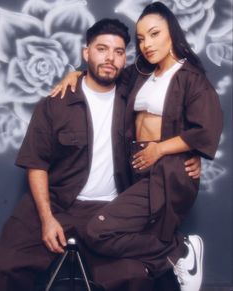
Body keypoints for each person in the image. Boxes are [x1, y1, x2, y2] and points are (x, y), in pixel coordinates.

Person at [0, 18, 201, 291]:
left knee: (132, 277)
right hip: (56, 202)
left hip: (111, 211)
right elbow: (36, 163)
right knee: (7, 265)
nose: (110, 58)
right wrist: (47, 219)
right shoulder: (56, 104)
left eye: (118, 52)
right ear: (86, 53)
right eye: (102, 49)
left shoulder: (136, 97)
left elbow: (174, 120)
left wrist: (192, 152)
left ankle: (178, 253)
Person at [51, 2, 223, 291]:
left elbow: (205, 128)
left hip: (168, 170)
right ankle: (176, 257)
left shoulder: (191, 77)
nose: (146, 44)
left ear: (172, 33)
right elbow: (106, 70)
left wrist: (161, 149)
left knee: (96, 231)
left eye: (154, 34)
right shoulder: (142, 74)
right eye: (141, 38)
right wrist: (75, 74)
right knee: (130, 235)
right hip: (140, 170)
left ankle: (180, 250)